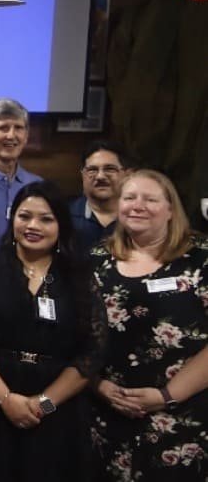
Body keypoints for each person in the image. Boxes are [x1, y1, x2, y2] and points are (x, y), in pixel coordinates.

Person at [0, 181, 91, 482]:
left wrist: (43, 404)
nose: (33, 226)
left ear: (61, 225)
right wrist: (6, 398)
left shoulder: (78, 276)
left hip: (57, 409)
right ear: (13, 219)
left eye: (46, 219)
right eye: (24, 216)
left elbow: (92, 351)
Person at [88, 170, 208, 481]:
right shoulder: (97, 259)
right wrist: (97, 385)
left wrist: (166, 395)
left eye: (150, 199)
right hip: (107, 416)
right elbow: (74, 335)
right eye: (129, 198)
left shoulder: (200, 259)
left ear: (170, 210)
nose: (137, 205)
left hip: (183, 419)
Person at [0, 98, 42, 258]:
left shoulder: (38, 186)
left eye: (18, 128)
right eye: (3, 128)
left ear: (26, 136)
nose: (11, 135)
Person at [70, 140, 131, 255]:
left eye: (110, 169)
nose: (100, 176)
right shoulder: (64, 218)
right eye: (92, 170)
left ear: (127, 174)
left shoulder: (138, 217)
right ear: (82, 175)